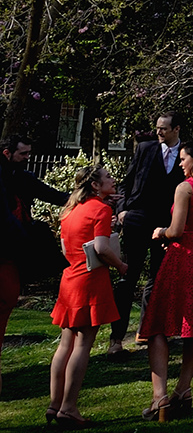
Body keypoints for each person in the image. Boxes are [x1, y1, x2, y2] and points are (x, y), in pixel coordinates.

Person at [138, 138, 193, 421]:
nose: (179, 163)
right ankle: (184, 390)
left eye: (183, 158)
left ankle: (160, 397)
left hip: (183, 257)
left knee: (157, 325)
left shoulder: (184, 188)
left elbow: (176, 230)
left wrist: (159, 232)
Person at [48, 164, 129, 428]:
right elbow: (101, 247)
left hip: (69, 278)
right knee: (83, 345)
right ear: (95, 185)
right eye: (107, 177)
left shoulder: (70, 211)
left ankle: (54, 404)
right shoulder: (101, 210)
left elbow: (63, 247)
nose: (113, 179)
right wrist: (120, 265)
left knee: (65, 344)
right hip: (90, 281)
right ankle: (69, 408)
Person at [109, 112, 185, 358]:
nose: (159, 132)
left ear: (177, 129)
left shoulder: (186, 154)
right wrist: (122, 211)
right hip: (138, 219)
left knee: (158, 277)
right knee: (128, 276)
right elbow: (126, 182)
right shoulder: (144, 149)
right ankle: (116, 338)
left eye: (164, 128)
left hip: (166, 223)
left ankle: (147, 330)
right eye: (157, 128)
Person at [1, 134, 69, 396]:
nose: (27, 158)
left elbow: (51, 194)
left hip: (12, 256)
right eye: (23, 154)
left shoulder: (21, 177)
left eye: (29, 153)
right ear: (8, 154)